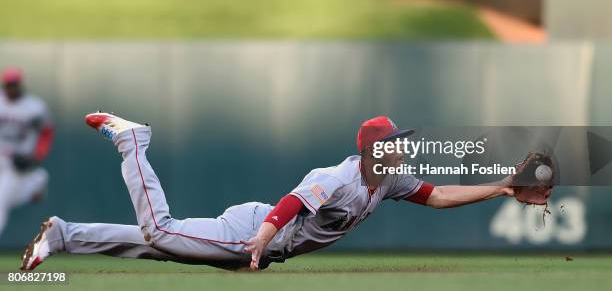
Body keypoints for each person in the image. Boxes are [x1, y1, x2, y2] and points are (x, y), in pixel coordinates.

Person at [21, 112, 518, 271]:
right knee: (159, 233)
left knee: (160, 246)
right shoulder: (339, 177)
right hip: (253, 233)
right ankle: (133, 143)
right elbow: (292, 203)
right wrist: (260, 239)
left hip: (260, 237)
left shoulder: (387, 181)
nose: (401, 150)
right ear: (371, 151)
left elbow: (437, 195)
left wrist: (503, 187)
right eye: (392, 145)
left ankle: (64, 235)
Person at [0, 68, 54, 239]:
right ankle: (35, 181)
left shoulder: (34, 107)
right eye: (9, 85)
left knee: (2, 200)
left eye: (14, 85)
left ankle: (34, 180)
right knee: (6, 198)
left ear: (20, 85)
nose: (11, 88)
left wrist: (37, 155)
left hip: (18, 160)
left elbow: (47, 132)